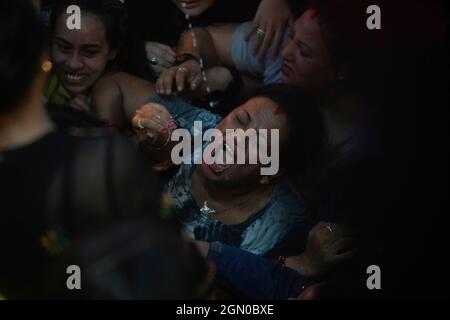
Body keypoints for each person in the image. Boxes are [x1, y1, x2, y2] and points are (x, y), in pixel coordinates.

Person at [0, 0, 162, 299]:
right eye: (62, 47)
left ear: (112, 51)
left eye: (89, 52)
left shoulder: (118, 90)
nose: (73, 64)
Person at [132, 84, 325, 256]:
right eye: (240, 120)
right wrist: (148, 127)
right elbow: (114, 87)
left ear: (273, 170)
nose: (235, 139)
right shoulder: (195, 128)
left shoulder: (280, 227)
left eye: (258, 144)